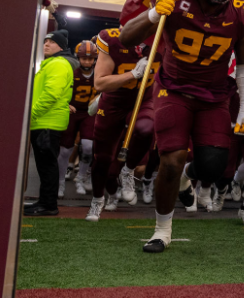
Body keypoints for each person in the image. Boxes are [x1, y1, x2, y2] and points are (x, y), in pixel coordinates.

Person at [119, 0, 244, 252]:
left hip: (214, 96)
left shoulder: (241, 10)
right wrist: (155, 13)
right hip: (174, 88)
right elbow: (127, 37)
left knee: (213, 166)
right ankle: (162, 229)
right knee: (170, 159)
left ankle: (186, 177)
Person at [89, 27, 155, 219]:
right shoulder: (112, 39)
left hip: (145, 98)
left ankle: (128, 170)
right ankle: (97, 199)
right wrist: (133, 74)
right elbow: (99, 83)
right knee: (102, 158)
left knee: (146, 129)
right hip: (115, 100)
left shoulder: (165, 39)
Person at [27, 31, 77, 216]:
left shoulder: (58, 64)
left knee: (47, 165)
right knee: (45, 165)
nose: (46, 44)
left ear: (62, 47)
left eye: (52, 42)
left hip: (46, 122)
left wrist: (30, 115)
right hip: (44, 121)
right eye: (45, 41)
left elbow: (50, 95)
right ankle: (44, 201)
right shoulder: (52, 63)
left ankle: (48, 205)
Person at [58, 40, 98, 199]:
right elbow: (60, 90)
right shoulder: (72, 72)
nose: (87, 61)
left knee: (88, 146)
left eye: (90, 59)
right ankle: (60, 181)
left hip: (89, 112)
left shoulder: (99, 73)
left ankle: (80, 178)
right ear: (78, 58)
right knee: (65, 149)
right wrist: (65, 104)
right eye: (84, 58)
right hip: (73, 111)